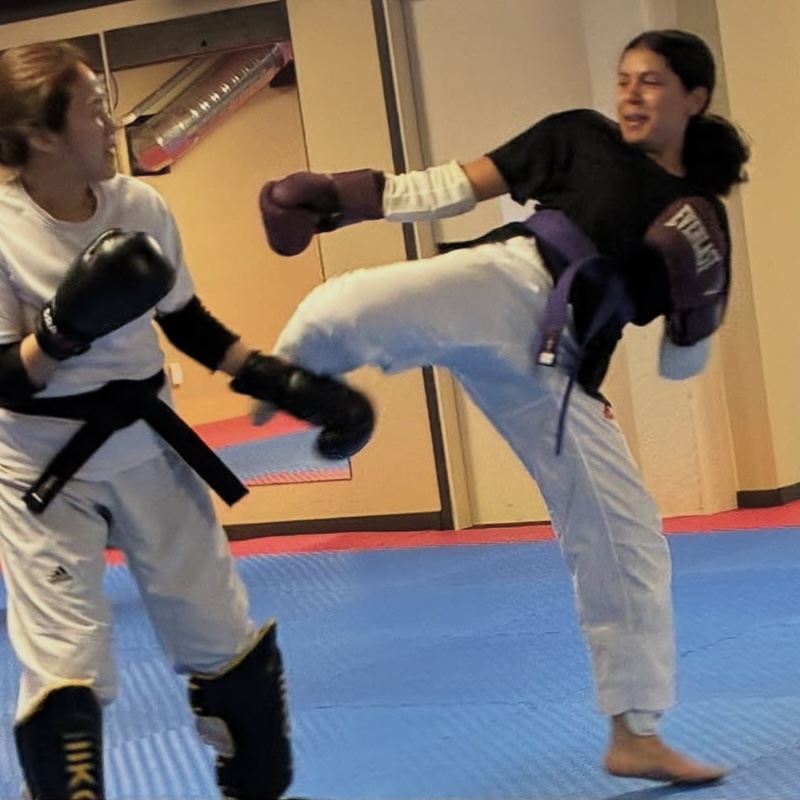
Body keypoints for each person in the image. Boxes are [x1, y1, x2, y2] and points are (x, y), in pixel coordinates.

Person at [258, 29, 750, 785]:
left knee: (627, 538)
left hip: (561, 372)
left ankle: (635, 732)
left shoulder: (696, 214)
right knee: (350, 302)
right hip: (508, 285)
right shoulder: (579, 136)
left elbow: (681, 364)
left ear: (695, 98)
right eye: (625, 78)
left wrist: (697, 297)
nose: (630, 93)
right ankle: (284, 386)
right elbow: (451, 185)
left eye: (651, 82)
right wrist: (342, 198)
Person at [0, 40, 374, 800]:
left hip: (149, 444)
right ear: (41, 135)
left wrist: (288, 384)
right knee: (65, 667)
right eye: (94, 111)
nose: (112, 125)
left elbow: (188, 323)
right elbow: (5, 377)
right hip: (42, 469)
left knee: (223, 641)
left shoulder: (140, 207)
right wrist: (64, 332)